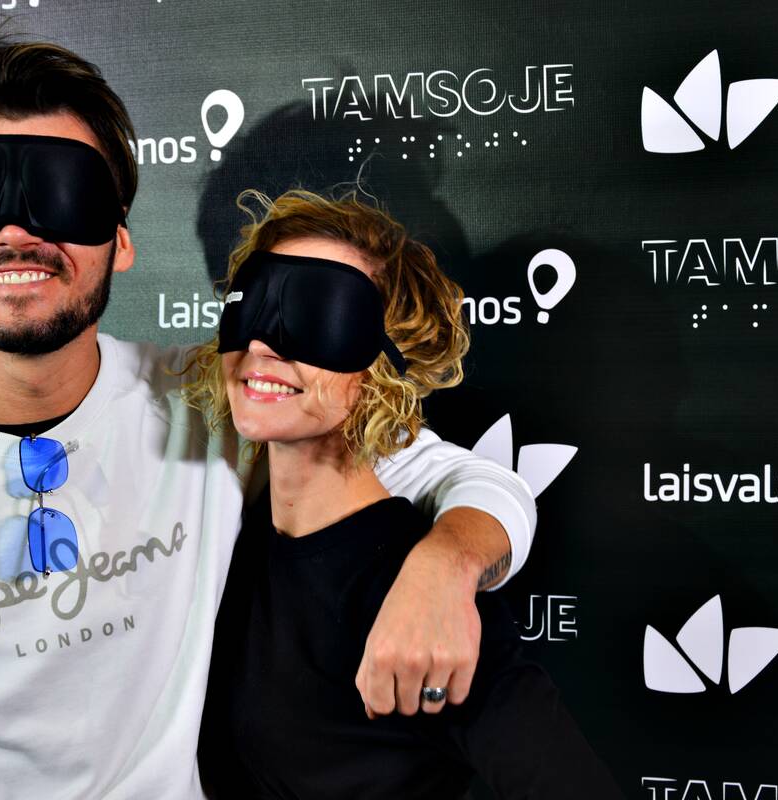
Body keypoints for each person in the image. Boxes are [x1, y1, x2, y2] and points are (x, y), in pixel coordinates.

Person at [0, 30, 536, 800]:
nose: (16, 231)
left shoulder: (216, 401)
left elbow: (458, 477)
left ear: (121, 241)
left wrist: (446, 565)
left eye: (62, 196)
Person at [188, 189, 622, 798]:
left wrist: (447, 567)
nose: (264, 343)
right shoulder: (228, 531)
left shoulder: (413, 596)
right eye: (255, 303)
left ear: (382, 369)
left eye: (317, 317)